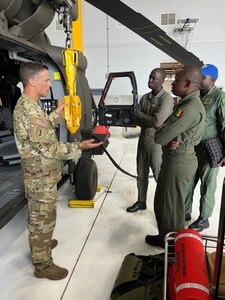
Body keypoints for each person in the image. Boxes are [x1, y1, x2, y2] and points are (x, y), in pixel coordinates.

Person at [13, 62, 103, 280]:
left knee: (41, 216)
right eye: (45, 80)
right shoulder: (29, 111)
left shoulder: (30, 106)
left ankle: (40, 245)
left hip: (41, 176)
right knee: (42, 218)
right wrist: (79, 147)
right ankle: (42, 264)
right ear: (32, 81)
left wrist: (57, 113)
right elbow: (49, 148)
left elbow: (39, 131)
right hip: (40, 177)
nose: (49, 84)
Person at [145, 65, 205, 248]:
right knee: (164, 201)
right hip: (174, 158)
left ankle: (172, 246)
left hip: (179, 161)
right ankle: (165, 235)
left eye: (176, 80)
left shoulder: (189, 109)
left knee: (171, 206)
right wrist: (174, 135)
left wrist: (171, 135)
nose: (171, 84)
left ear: (187, 84)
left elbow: (160, 135)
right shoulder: (187, 103)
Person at [126, 68, 174, 213]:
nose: (150, 81)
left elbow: (158, 122)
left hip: (157, 142)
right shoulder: (145, 98)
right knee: (141, 173)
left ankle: (165, 206)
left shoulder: (166, 99)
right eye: (150, 77)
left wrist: (141, 116)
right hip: (143, 140)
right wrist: (144, 118)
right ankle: (141, 201)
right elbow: (135, 118)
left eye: (154, 78)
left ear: (162, 81)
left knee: (159, 174)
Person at [186, 64, 225, 232]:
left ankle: (204, 218)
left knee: (207, 185)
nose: (199, 79)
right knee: (188, 182)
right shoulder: (195, 96)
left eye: (203, 77)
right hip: (193, 148)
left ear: (212, 79)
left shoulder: (219, 97)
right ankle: (185, 212)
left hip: (211, 149)